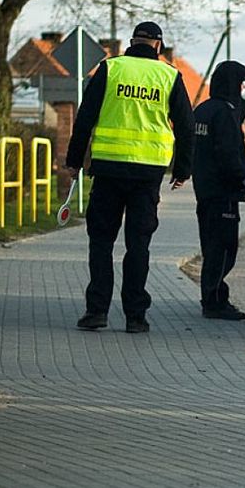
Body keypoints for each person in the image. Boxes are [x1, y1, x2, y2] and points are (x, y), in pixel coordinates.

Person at [64, 21, 194, 334]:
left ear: (131, 42)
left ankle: (97, 311)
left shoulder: (110, 69)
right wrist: (182, 170)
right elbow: (186, 126)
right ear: (158, 46)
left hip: (108, 169)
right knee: (138, 245)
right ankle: (136, 316)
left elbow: (85, 118)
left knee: (101, 241)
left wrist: (73, 161)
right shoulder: (169, 75)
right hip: (147, 174)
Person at [192, 59, 245, 320]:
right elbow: (229, 153)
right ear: (231, 84)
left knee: (211, 246)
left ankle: (213, 296)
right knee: (224, 249)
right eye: (240, 83)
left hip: (204, 190)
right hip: (223, 193)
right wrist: (243, 179)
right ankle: (214, 300)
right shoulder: (225, 114)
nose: (242, 89)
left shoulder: (202, 111)